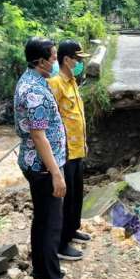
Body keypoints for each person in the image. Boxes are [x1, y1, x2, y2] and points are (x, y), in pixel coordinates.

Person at [13, 37, 81, 279]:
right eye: (53, 57)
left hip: (36, 163)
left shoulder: (31, 81)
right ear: (40, 61)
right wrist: (56, 174)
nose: (56, 61)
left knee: (41, 220)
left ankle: (40, 271)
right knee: (52, 225)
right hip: (43, 167)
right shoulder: (36, 92)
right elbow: (39, 136)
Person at [48, 39, 92, 262]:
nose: (79, 63)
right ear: (67, 59)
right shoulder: (56, 84)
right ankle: (62, 243)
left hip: (77, 149)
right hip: (65, 152)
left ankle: (73, 229)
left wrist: (84, 142)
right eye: (77, 59)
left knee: (76, 196)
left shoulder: (72, 82)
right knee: (67, 198)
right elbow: (52, 120)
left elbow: (76, 117)